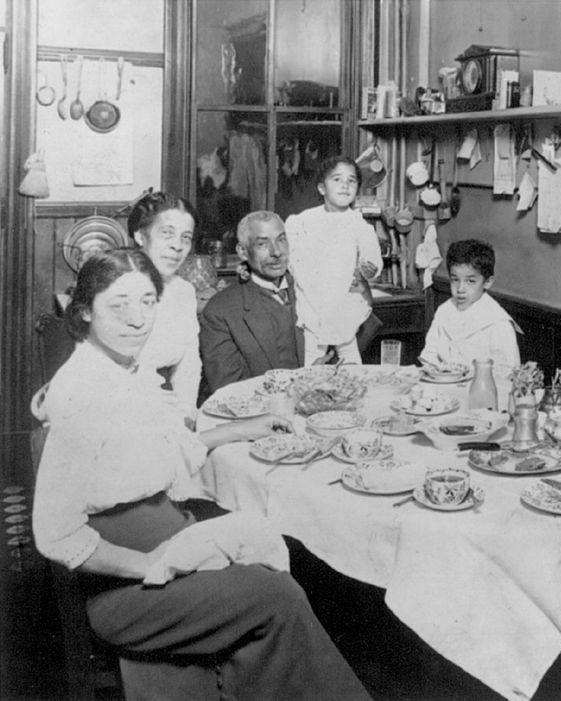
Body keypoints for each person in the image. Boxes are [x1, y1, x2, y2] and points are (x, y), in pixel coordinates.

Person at [33, 248, 369, 699]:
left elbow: (157, 456)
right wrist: (152, 564)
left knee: (272, 569)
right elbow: (56, 535)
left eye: (148, 301)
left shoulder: (124, 373)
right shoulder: (83, 393)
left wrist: (239, 430)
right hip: (128, 586)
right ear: (85, 312)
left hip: (176, 544)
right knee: (278, 596)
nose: (138, 319)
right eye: (119, 304)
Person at [287, 156, 383, 365]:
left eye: (351, 181)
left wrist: (368, 270)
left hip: (344, 301)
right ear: (322, 188)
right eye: (337, 179)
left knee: (350, 360)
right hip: (312, 300)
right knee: (311, 362)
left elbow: (372, 260)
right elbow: (293, 258)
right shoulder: (303, 221)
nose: (345, 185)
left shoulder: (358, 224)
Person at [200, 211, 304, 393]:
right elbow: (230, 391)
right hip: (264, 416)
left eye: (281, 239)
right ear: (242, 251)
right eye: (263, 244)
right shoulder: (221, 311)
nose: (277, 252)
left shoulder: (311, 291)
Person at [125, 192, 204, 410]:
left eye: (185, 237)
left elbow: (188, 363)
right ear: (141, 236)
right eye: (167, 234)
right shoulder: (116, 289)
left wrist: (187, 412)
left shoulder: (184, 292)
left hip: (164, 403)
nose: (177, 246)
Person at [421, 240, 521, 407]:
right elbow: (429, 354)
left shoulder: (498, 322)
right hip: (442, 397)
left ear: (487, 282)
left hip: (481, 401)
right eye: (455, 280)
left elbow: (507, 375)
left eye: (470, 281)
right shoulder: (444, 311)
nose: (460, 289)